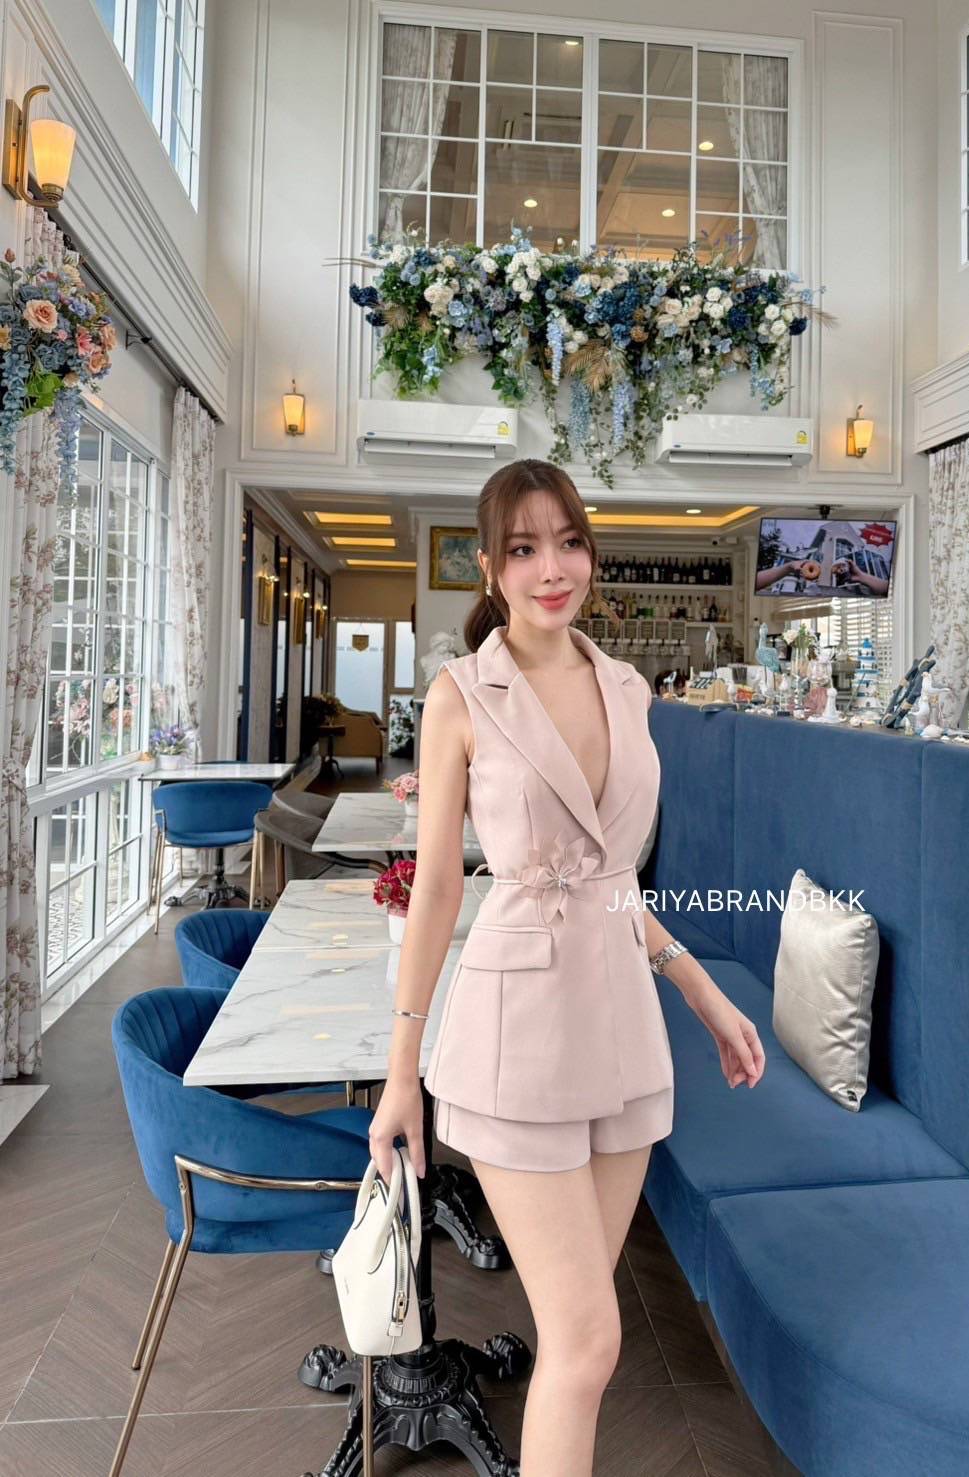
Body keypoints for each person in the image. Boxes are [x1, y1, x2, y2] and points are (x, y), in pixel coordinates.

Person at [369, 457, 766, 1477]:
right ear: (490, 569)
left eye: (569, 542)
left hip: (623, 1035)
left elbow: (615, 884)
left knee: (581, 1345)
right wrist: (403, 1072)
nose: (552, 568)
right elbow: (440, 890)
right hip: (518, 1040)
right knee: (588, 1341)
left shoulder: (629, 688)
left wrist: (705, 994)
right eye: (524, 548)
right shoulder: (462, 695)